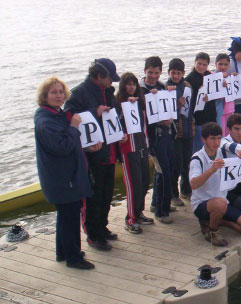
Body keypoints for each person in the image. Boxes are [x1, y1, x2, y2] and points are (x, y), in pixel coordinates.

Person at [35, 77, 97, 269]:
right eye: (54, 92)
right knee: (70, 216)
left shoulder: (55, 114)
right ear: (45, 96)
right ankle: (74, 257)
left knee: (65, 215)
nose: (59, 96)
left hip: (65, 175)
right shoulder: (46, 121)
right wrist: (73, 128)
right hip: (62, 178)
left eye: (61, 92)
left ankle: (63, 251)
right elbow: (62, 147)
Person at [64, 58, 123, 251]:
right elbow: (70, 118)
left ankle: (102, 227)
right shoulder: (79, 93)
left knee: (106, 194)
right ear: (98, 76)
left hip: (109, 151)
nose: (111, 82)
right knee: (93, 196)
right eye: (109, 78)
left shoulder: (107, 91)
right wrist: (93, 111)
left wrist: (119, 132)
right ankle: (92, 234)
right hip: (93, 155)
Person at [190, 122, 241, 247]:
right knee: (220, 202)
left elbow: (240, 154)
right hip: (202, 204)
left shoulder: (222, 152)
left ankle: (219, 221)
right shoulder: (197, 159)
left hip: (222, 201)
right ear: (203, 139)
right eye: (212, 138)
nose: (216, 142)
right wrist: (211, 169)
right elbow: (193, 185)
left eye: (218, 138)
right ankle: (213, 231)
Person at [140, 56, 177, 223]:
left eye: (156, 73)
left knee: (163, 170)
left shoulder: (163, 87)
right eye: (150, 73)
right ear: (144, 71)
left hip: (167, 135)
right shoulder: (140, 90)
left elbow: (170, 107)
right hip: (153, 138)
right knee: (164, 173)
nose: (153, 76)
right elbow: (140, 117)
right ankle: (161, 212)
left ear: (161, 72)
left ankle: (158, 202)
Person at [116, 72, 153, 234]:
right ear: (123, 86)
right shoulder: (118, 104)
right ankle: (130, 218)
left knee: (145, 181)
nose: (131, 87)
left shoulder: (140, 102)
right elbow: (114, 123)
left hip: (142, 147)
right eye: (128, 84)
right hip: (128, 149)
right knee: (133, 185)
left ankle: (138, 212)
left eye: (133, 84)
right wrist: (125, 107)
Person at [166, 58, 192, 205]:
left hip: (187, 128)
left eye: (178, 73)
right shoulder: (166, 87)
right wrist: (177, 104)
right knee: (175, 163)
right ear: (169, 72)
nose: (175, 76)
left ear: (183, 73)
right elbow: (165, 112)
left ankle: (186, 189)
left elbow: (190, 108)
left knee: (187, 162)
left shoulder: (187, 85)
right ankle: (173, 193)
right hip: (174, 131)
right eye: (173, 73)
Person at [185, 52, 212, 152]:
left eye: (204, 64)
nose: (201, 67)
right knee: (198, 146)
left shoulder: (209, 75)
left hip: (210, 115)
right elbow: (188, 101)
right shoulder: (189, 79)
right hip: (198, 118)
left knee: (210, 144)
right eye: (199, 64)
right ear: (195, 63)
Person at [214, 53, 234, 136]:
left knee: (229, 133)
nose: (223, 67)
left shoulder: (230, 76)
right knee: (220, 133)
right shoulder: (212, 76)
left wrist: (235, 78)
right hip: (219, 110)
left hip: (229, 109)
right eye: (220, 64)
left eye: (225, 64)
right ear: (215, 64)